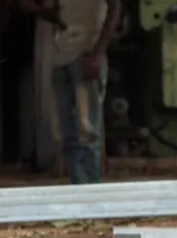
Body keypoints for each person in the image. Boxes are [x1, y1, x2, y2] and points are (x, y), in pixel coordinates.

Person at [20, 0, 121, 184]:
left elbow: (115, 7)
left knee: (87, 130)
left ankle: (90, 192)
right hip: (62, 54)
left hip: (86, 53)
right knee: (67, 133)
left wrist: (97, 54)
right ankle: (79, 189)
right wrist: (48, 14)